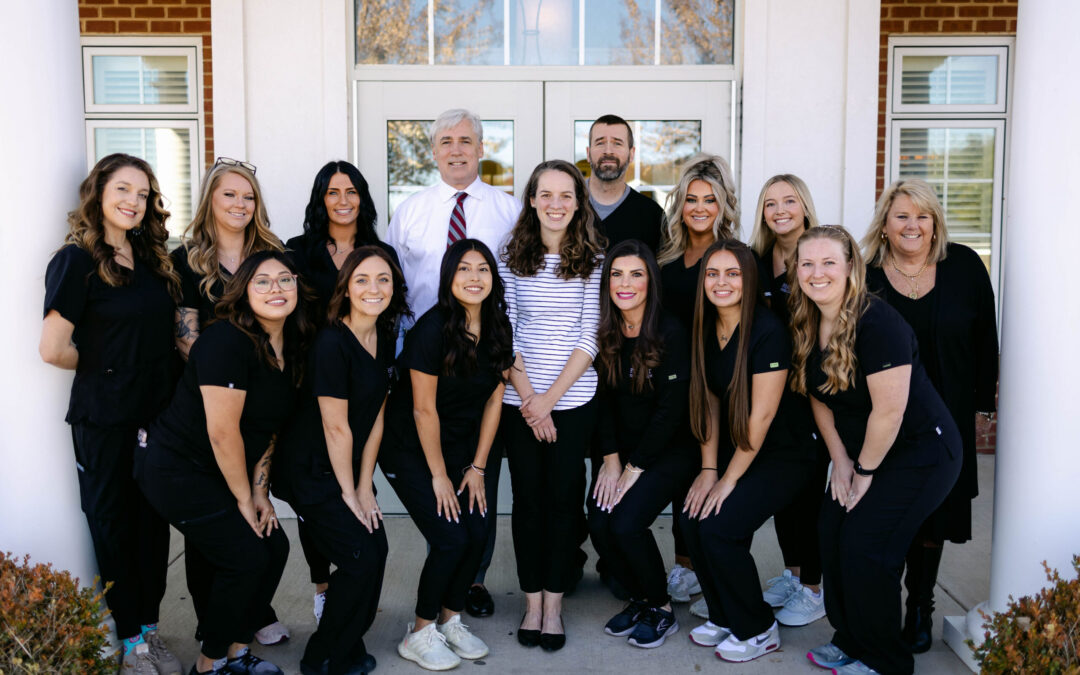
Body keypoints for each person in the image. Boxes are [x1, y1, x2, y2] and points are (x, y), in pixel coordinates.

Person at [790, 226, 962, 675]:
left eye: (829, 262)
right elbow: (817, 395)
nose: (817, 273)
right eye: (807, 263)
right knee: (831, 533)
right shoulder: (807, 319)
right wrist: (841, 461)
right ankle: (852, 639)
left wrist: (863, 473)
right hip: (862, 452)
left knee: (868, 544)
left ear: (851, 267)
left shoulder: (878, 323)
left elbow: (889, 411)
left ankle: (886, 660)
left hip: (920, 452)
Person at [135, 251, 314, 675]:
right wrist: (243, 499)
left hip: (219, 470)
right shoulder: (225, 342)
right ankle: (208, 664)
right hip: (175, 468)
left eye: (285, 279)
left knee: (273, 547)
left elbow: (270, 429)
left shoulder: (291, 347)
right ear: (243, 291)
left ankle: (236, 651)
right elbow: (223, 432)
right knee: (246, 556)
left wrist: (260, 493)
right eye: (262, 281)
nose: (276, 288)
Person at [40, 153, 184, 675]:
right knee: (113, 527)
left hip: (157, 418)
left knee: (153, 528)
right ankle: (130, 642)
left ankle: (150, 627)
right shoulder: (75, 260)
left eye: (143, 194)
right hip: (104, 420)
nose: (133, 201)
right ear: (98, 192)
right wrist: (110, 368)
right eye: (123, 189)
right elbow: (53, 349)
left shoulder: (151, 259)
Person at [387, 109, 520, 618]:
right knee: (437, 487)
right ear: (433, 151)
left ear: (482, 148)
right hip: (427, 364)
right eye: (446, 141)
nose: (457, 149)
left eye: (466, 140)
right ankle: (444, 571)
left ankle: (472, 581)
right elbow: (395, 287)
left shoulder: (508, 210)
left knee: (479, 480)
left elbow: (516, 284)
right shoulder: (411, 211)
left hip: (484, 362)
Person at [862, 179, 998, 654]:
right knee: (892, 513)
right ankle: (883, 606)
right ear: (885, 224)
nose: (912, 225)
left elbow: (985, 337)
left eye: (922, 216)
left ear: (936, 222)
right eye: (901, 215)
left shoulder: (964, 266)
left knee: (934, 515)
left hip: (949, 414)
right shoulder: (866, 276)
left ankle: (920, 608)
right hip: (887, 417)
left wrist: (983, 404)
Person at [678, 239, 818, 663]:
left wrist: (728, 480)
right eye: (713, 274)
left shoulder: (767, 331)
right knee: (691, 518)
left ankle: (758, 628)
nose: (721, 282)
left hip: (785, 454)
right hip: (741, 451)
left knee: (720, 527)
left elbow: (763, 416)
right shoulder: (706, 325)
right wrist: (708, 470)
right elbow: (709, 402)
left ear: (749, 279)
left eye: (732, 274)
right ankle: (724, 614)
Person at [171, 158, 291, 646]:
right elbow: (186, 335)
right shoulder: (187, 260)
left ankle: (255, 610)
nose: (241, 204)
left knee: (254, 508)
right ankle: (213, 622)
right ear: (210, 200)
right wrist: (224, 380)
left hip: (260, 406)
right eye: (230, 195)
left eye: (249, 196)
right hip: (210, 404)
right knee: (213, 522)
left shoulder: (273, 255)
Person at [273, 246, 408, 675]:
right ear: (346, 288)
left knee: (376, 549)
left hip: (346, 468)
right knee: (358, 556)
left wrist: (366, 486)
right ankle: (321, 657)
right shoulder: (331, 342)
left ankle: (347, 641)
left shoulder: (384, 334)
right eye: (362, 279)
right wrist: (350, 494)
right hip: (310, 470)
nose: (374, 288)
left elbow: (376, 418)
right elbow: (336, 428)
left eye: (383, 279)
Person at [380, 238, 514, 670]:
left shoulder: (499, 326)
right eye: (464, 269)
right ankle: (419, 632)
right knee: (450, 537)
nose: (474, 277)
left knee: (477, 532)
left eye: (483, 269)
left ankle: (450, 619)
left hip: (460, 448)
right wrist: (439, 476)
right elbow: (423, 410)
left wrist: (478, 467)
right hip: (409, 447)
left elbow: (494, 400)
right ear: (448, 278)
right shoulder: (431, 330)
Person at [286, 160, 398, 625]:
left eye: (351, 191)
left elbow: (387, 313)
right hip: (308, 381)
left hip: (361, 381)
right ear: (321, 199)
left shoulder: (379, 252)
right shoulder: (298, 251)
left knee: (351, 482)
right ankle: (322, 587)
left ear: (362, 198)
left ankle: (351, 580)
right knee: (317, 498)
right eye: (332, 192)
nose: (343, 200)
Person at [499, 160, 605, 652]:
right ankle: (532, 601)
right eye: (546, 194)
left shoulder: (594, 259)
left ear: (579, 202)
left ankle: (555, 604)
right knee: (527, 503)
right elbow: (504, 330)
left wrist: (549, 401)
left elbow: (590, 336)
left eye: (566, 195)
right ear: (532, 200)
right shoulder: (509, 255)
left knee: (563, 502)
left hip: (573, 400)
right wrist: (529, 400)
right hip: (518, 400)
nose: (556, 204)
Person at [588, 240, 697, 649]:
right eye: (617, 274)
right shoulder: (605, 330)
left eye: (636, 274)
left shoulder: (670, 332)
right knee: (599, 519)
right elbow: (601, 402)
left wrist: (634, 468)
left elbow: (671, 412)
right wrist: (611, 461)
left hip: (670, 450)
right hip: (623, 452)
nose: (625, 284)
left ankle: (661, 608)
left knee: (626, 522)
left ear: (651, 281)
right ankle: (640, 596)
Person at [655, 153, 739, 609]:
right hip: (675, 385)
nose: (700, 208)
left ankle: (715, 574)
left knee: (715, 478)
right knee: (682, 480)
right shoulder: (667, 258)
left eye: (710, 200)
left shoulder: (733, 257)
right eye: (691, 199)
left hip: (718, 385)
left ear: (722, 205)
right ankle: (685, 566)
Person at [747, 174, 828, 626]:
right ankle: (794, 575)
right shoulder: (758, 260)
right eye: (771, 203)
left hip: (813, 389)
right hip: (772, 389)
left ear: (804, 206)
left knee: (809, 492)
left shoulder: (819, 256)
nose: (780, 211)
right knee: (783, 490)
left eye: (789, 201)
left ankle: (814, 587)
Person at [585, 114, 665, 253]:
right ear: (588, 153)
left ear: (631, 153)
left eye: (617, 143)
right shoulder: (565, 206)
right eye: (600, 143)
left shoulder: (651, 215)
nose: (608, 151)